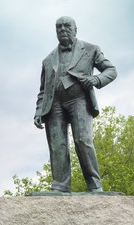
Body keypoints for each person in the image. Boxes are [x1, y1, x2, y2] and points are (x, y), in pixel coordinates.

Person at [34, 16, 117, 193]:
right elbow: (43, 90)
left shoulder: (91, 49)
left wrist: (96, 79)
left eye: (66, 26)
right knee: (58, 145)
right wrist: (38, 111)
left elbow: (111, 70)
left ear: (75, 29)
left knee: (83, 140)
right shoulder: (48, 60)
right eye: (58, 27)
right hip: (53, 104)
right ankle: (60, 185)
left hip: (79, 100)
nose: (62, 29)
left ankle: (95, 185)